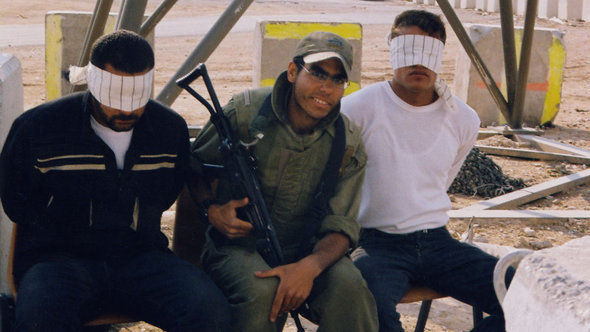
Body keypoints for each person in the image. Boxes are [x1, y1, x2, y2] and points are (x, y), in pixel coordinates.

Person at [0, 30, 230, 331]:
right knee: (39, 317)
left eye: (137, 99)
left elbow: (167, 192)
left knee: (209, 310)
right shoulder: (38, 128)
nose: (127, 110)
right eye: (115, 97)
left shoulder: (168, 129)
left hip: (142, 258)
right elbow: (16, 201)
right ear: (93, 83)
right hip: (60, 262)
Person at [190, 31, 378, 331]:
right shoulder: (245, 113)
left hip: (309, 250)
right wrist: (211, 209)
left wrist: (310, 267)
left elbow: (342, 226)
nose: (326, 88)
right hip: (239, 248)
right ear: (293, 71)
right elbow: (193, 167)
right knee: (263, 293)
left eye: (337, 80)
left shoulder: (349, 142)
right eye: (317, 73)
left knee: (350, 287)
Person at [341, 10, 511, 332]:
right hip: (378, 243)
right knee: (365, 306)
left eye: (429, 50)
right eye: (409, 48)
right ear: (393, 50)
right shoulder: (357, 109)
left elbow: (443, 179)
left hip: (438, 243)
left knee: (527, 295)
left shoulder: (463, 119)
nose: (419, 62)